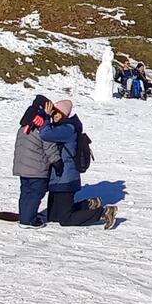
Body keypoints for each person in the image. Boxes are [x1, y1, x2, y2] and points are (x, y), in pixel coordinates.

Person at [39, 99, 118, 229]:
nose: (54, 115)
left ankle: (104, 213)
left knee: (65, 219)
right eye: (53, 113)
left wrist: (46, 118)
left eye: (56, 113)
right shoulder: (61, 127)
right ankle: (89, 204)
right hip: (57, 178)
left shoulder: (67, 129)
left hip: (66, 177)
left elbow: (45, 134)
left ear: (64, 114)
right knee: (53, 216)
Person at [11, 94, 58, 229]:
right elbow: (48, 145)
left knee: (25, 192)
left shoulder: (25, 125)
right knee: (36, 193)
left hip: (23, 167)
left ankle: (25, 215)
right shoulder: (41, 124)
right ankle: (28, 220)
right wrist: (56, 161)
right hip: (36, 168)